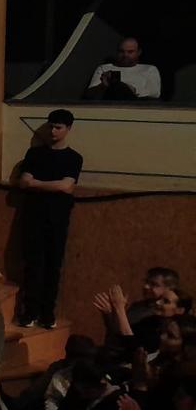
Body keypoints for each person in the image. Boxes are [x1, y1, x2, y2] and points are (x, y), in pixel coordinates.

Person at [16, 109, 83, 329]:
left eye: (58, 127)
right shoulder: (35, 154)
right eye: (51, 126)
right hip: (34, 215)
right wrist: (53, 185)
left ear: (68, 129)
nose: (53, 131)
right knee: (33, 264)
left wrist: (38, 184)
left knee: (53, 266)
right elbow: (24, 182)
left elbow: (67, 186)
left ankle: (47, 313)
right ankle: (30, 311)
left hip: (58, 217)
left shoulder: (73, 158)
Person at [84, 37, 161, 100]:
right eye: (121, 51)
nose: (125, 55)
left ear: (139, 52)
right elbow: (89, 94)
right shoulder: (104, 68)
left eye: (130, 52)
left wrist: (133, 89)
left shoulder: (149, 69)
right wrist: (103, 85)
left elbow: (155, 93)